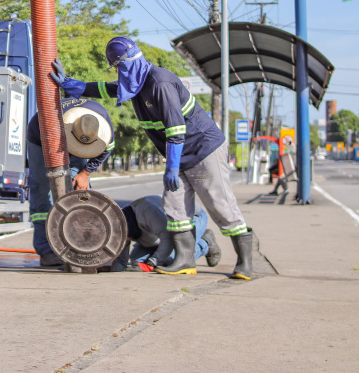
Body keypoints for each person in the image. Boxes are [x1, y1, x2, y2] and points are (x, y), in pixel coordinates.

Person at [50, 36, 254, 280]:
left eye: (117, 68)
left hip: (202, 149)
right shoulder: (136, 83)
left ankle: (245, 261)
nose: (117, 73)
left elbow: (176, 129)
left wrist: (172, 167)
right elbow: (106, 89)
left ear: (124, 65)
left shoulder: (160, 82)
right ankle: (185, 259)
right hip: (177, 153)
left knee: (218, 203)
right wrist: (72, 84)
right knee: (175, 206)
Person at [26, 97, 115, 266]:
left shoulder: (102, 125)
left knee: (79, 192)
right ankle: (46, 250)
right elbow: (55, 174)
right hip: (42, 139)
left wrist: (85, 173)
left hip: (74, 136)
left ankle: (83, 245)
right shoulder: (51, 124)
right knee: (43, 192)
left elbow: (107, 150)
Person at [109, 195, 221, 272]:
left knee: (174, 259)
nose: (125, 242)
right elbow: (123, 246)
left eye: (126, 239)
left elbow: (167, 238)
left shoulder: (149, 212)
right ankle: (161, 255)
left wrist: (153, 263)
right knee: (137, 261)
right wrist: (118, 267)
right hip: (159, 232)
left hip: (190, 218)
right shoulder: (123, 219)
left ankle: (206, 243)